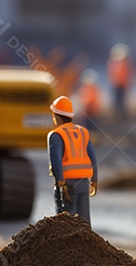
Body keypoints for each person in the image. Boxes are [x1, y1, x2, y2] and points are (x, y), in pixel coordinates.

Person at [47, 96, 98, 226]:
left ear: (57, 116)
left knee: (66, 223)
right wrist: (94, 180)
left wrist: (60, 183)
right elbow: (92, 158)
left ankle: (67, 247)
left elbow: (56, 161)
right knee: (84, 221)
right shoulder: (83, 132)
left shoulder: (56, 134)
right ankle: (87, 246)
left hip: (67, 184)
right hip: (83, 184)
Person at [107, 44, 131, 118]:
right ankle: (117, 113)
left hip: (122, 85)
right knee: (116, 100)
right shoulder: (112, 63)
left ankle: (122, 113)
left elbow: (127, 74)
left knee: (122, 100)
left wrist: (125, 83)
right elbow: (111, 74)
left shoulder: (125, 63)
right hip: (115, 85)